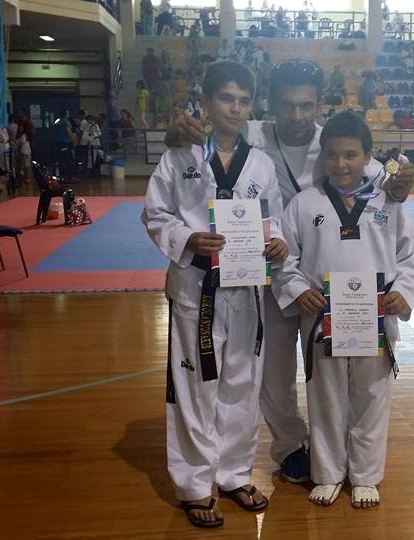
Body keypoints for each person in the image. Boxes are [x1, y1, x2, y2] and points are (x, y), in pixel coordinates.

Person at [165, 59, 414, 486]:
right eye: (286, 105)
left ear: (318, 104)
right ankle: (290, 447)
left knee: (341, 373)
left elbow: (382, 184)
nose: (297, 115)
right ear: (269, 105)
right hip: (261, 273)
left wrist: (402, 181)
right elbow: (202, 140)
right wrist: (176, 135)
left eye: (306, 105)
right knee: (272, 374)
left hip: (322, 283)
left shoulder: (333, 141)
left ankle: (346, 452)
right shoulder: (250, 133)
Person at [142, 60, 287, 529]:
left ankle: (234, 473)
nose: (235, 108)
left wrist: (278, 241)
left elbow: (274, 218)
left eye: (244, 101)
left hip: (246, 288)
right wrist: (187, 238)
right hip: (195, 286)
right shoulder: (180, 156)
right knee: (195, 386)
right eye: (226, 98)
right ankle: (194, 484)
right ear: (206, 102)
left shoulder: (261, 164)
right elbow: (156, 214)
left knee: (242, 384)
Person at [272, 111, 414, 508]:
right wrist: (297, 289)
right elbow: (284, 259)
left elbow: (408, 255)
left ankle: (366, 476)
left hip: (375, 316)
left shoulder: (388, 202)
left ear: (368, 157)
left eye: (351, 155)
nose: (340, 164)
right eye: (332, 155)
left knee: (372, 396)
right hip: (322, 316)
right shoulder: (304, 204)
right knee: (325, 397)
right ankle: (328, 472)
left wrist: (403, 293)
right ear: (322, 156)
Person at [53, 109, 74, 175]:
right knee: (68, 159)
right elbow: (69, 132)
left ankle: (61, 174)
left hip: (59, 143)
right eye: (68, 113)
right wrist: (73, 140)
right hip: (67, 143)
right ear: (66, 114)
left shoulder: (57, 122)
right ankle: (68, 175)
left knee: (61, 159)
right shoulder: (66, 122)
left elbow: (55, 134)